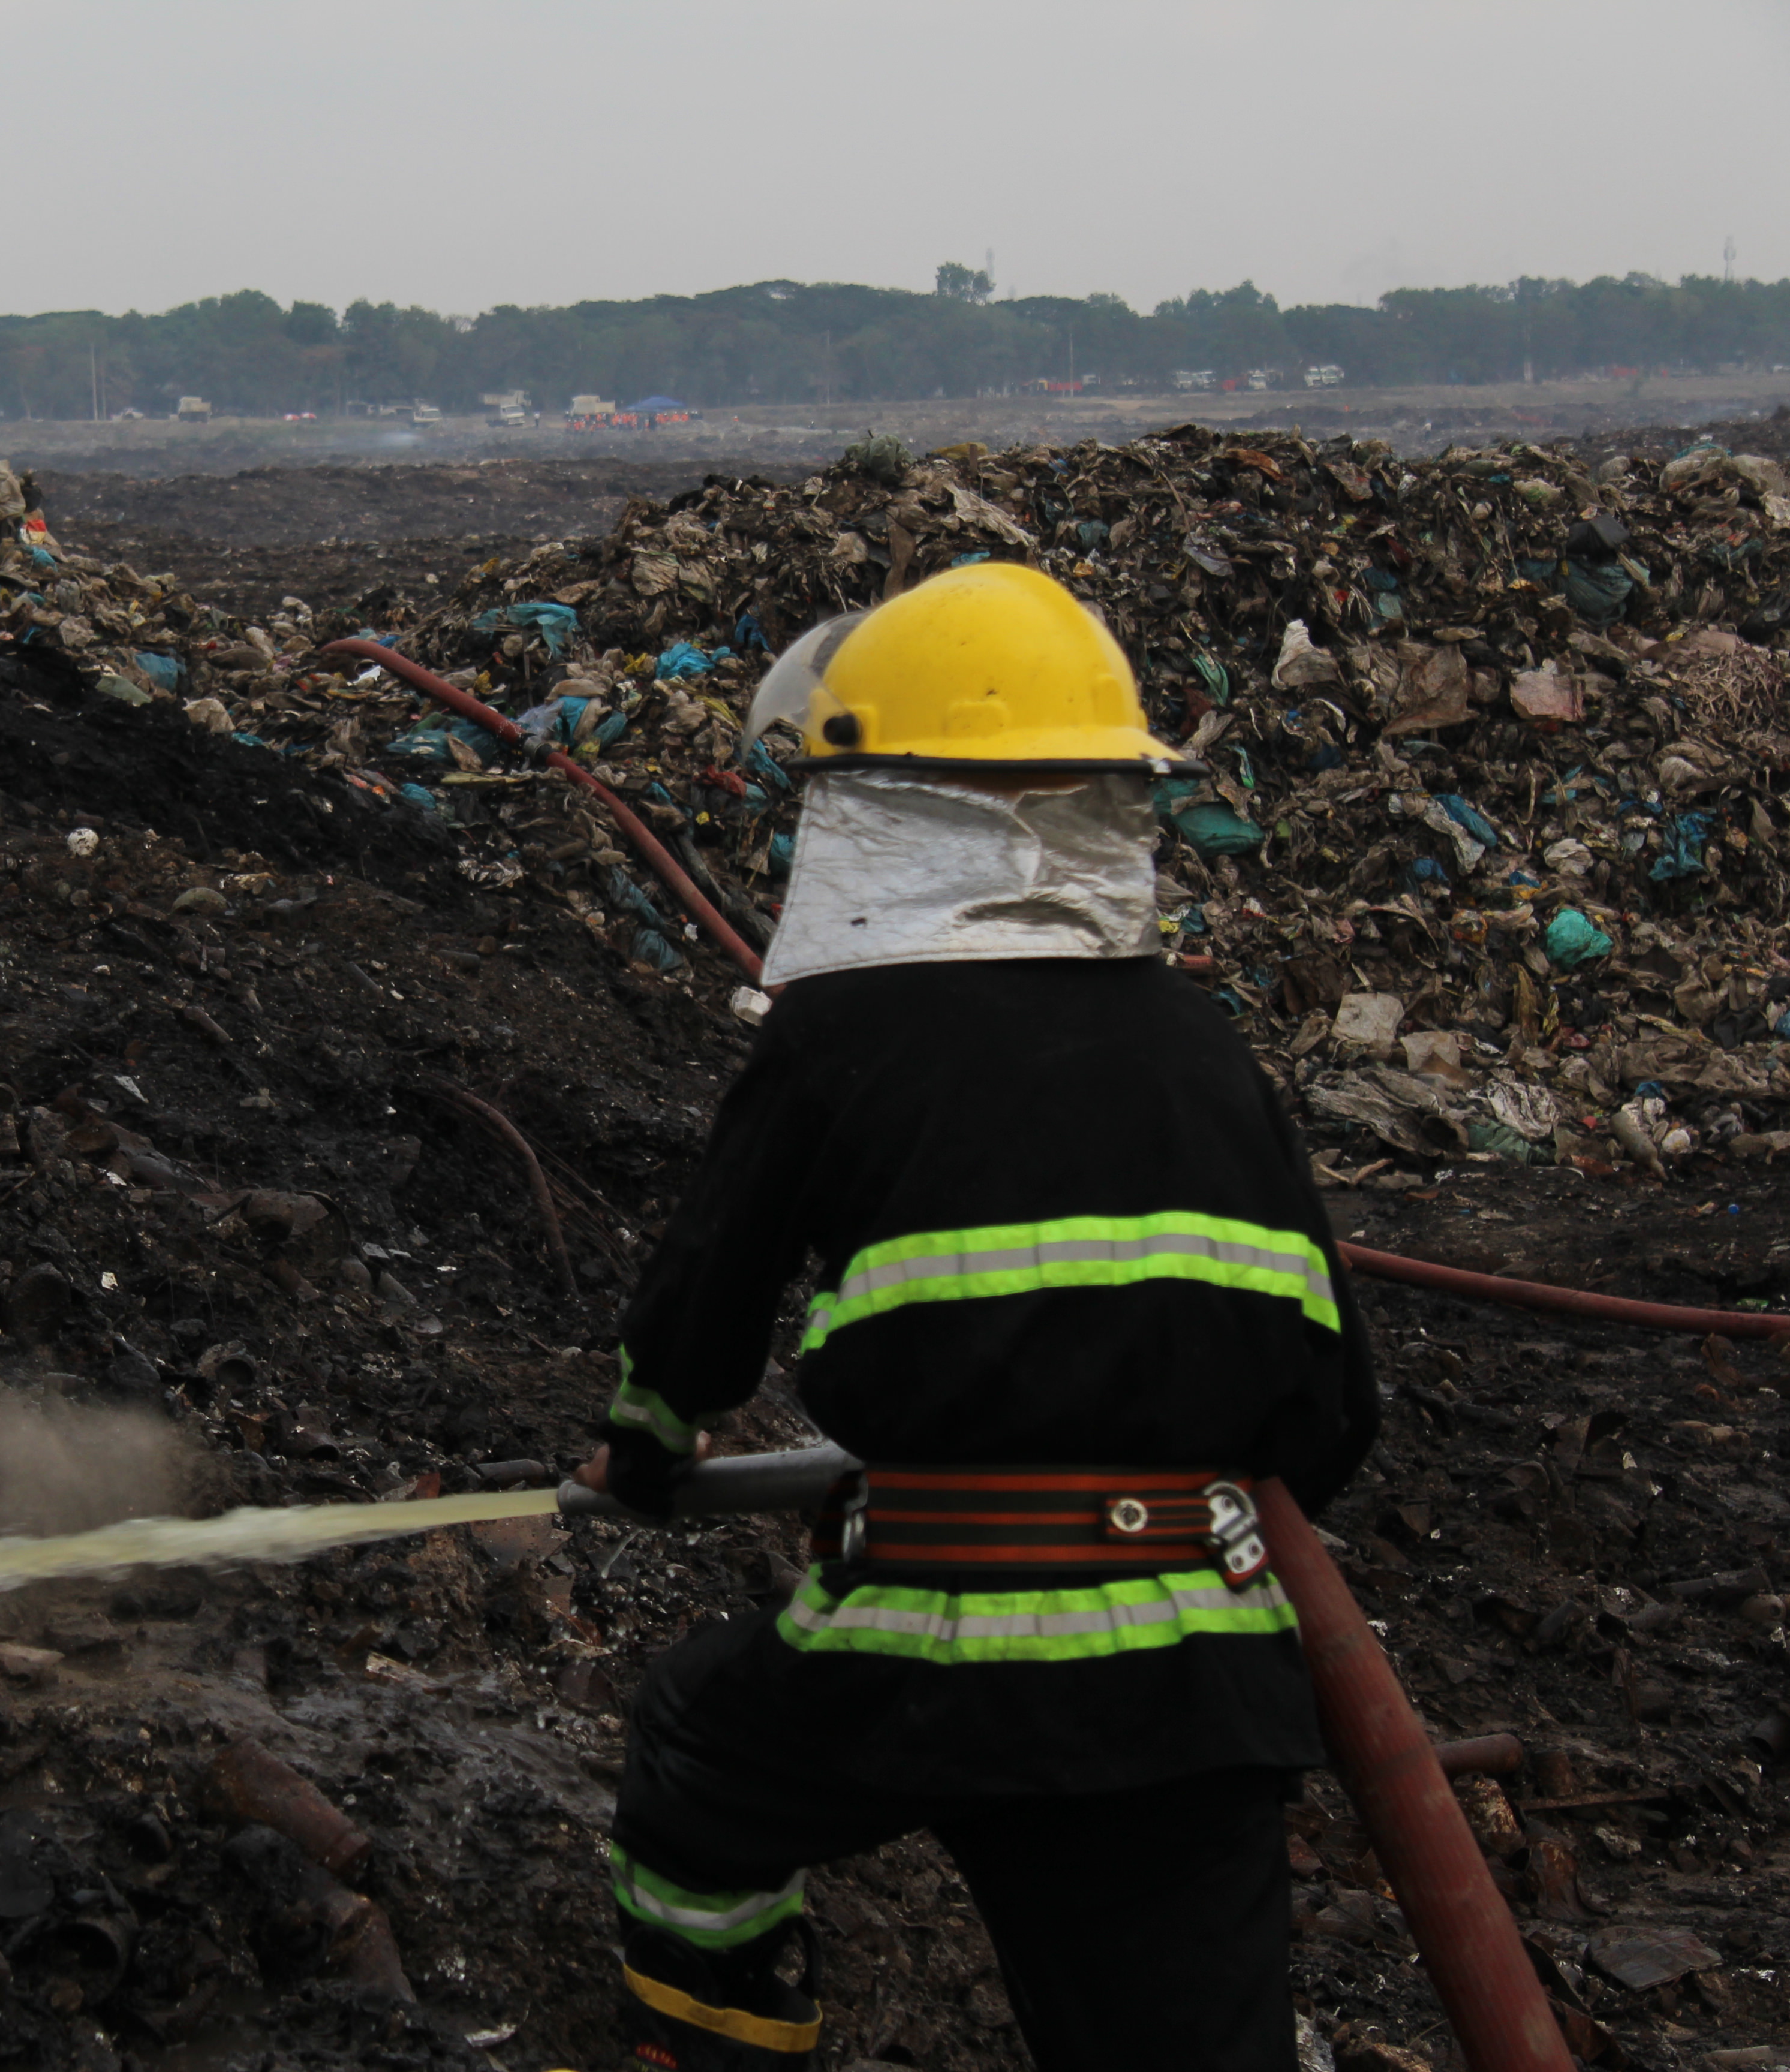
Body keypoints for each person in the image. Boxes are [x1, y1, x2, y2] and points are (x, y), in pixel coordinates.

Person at [573, 562, 1378, 2071]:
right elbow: (1333, 1415)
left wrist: (644, 1454)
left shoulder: (839, 1033)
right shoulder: (1204, 1047)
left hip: (933, 1637)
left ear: (874, 804)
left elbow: (698, 1313)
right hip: (1199, 1681)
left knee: (698, 1752)